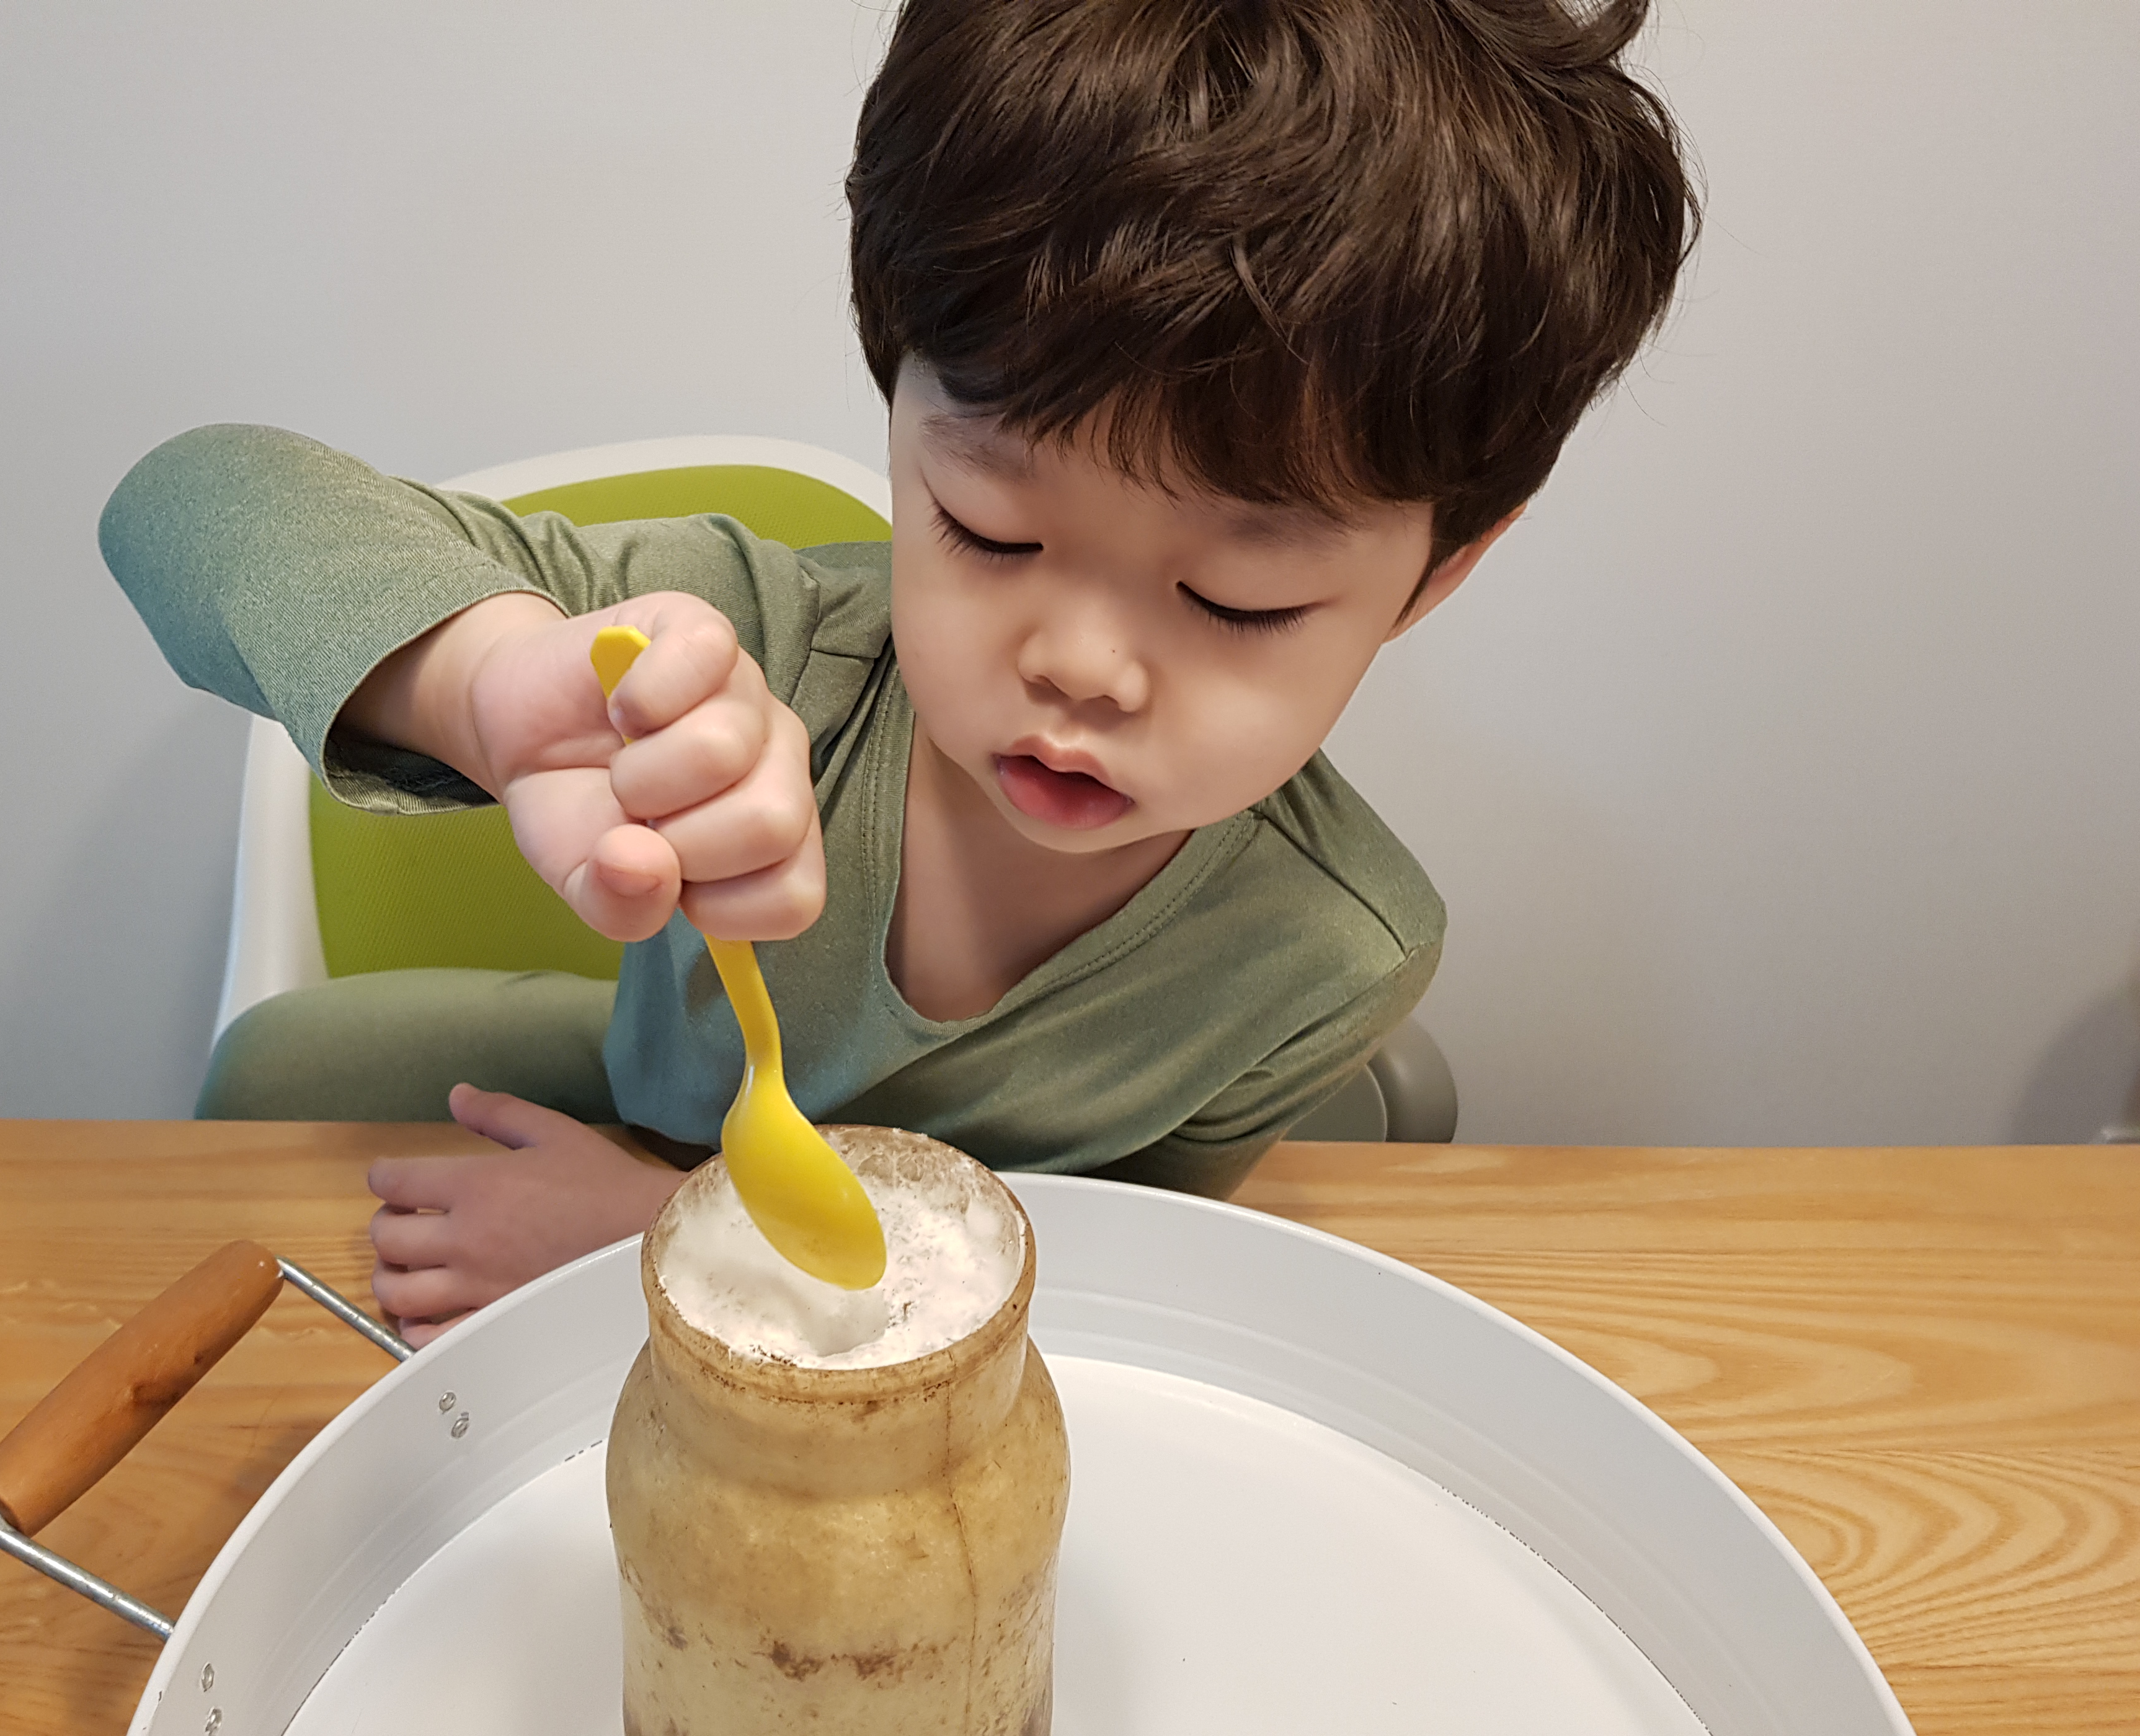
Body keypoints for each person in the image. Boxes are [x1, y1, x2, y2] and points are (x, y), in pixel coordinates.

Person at [102, 0, 1695, 1345]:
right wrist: (486, 679)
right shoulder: (766, 653)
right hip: (606, 1154)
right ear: (897, 406)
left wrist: (662, 1231)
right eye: (991, 530)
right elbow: (191, 504)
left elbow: (1096, 1277)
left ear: (1441, 569)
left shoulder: (1328, 954)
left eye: (1239, 599)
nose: (1083, 666)